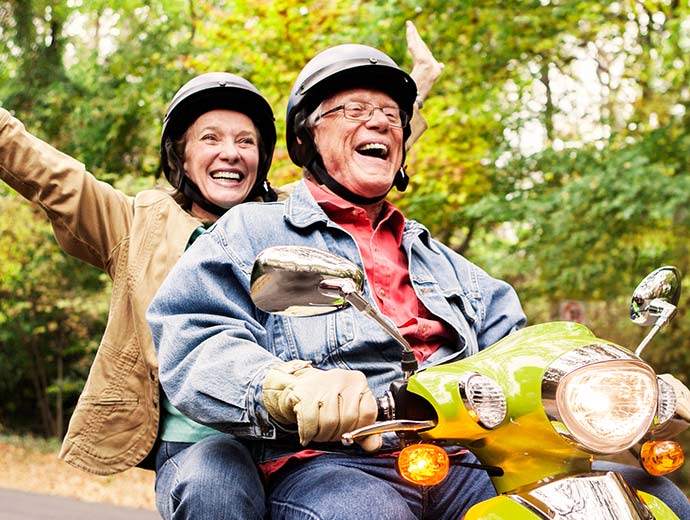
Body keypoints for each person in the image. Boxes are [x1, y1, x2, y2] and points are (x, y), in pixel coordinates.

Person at [0, 22, 446, 519]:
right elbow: (51, 177)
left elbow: (353, 163)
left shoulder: (287, 222)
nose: (231, 152)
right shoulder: (135, 224)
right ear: (181, 156)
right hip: (200, 439)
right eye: (210, 138)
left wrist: (412, 95)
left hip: (293, 435)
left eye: (246, 141)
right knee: (216, 484)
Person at [148, 43, 526, 519]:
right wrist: (283, 386)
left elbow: (518, 348)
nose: (380, 122)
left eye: (392, 115)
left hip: (462, 464)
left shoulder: (450, 265)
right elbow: (194, 337)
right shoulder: (250, 232)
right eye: (354, 109)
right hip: (331, 463)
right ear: (306, 139)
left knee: (609, 496)